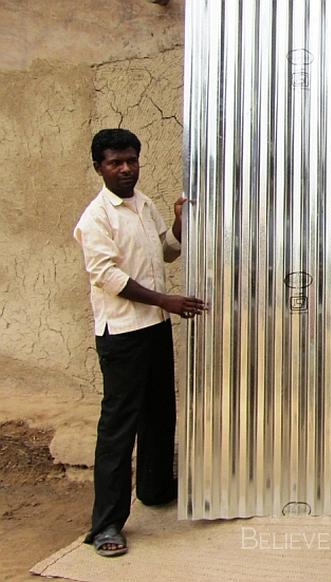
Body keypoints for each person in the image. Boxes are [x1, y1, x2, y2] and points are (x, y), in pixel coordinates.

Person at [74, 128, 207, 557]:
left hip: (153, 326)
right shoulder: (96, 218)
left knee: (159, 413)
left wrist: (179, 223)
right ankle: (107, 524)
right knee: (119, 428)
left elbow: (166, 252)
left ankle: (154, 488)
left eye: (131, 160)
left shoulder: (143, 204)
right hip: (123, 334)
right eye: (116, 162)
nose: (126, 168)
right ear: (99, 167)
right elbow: (108, 277)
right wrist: (165, 299)